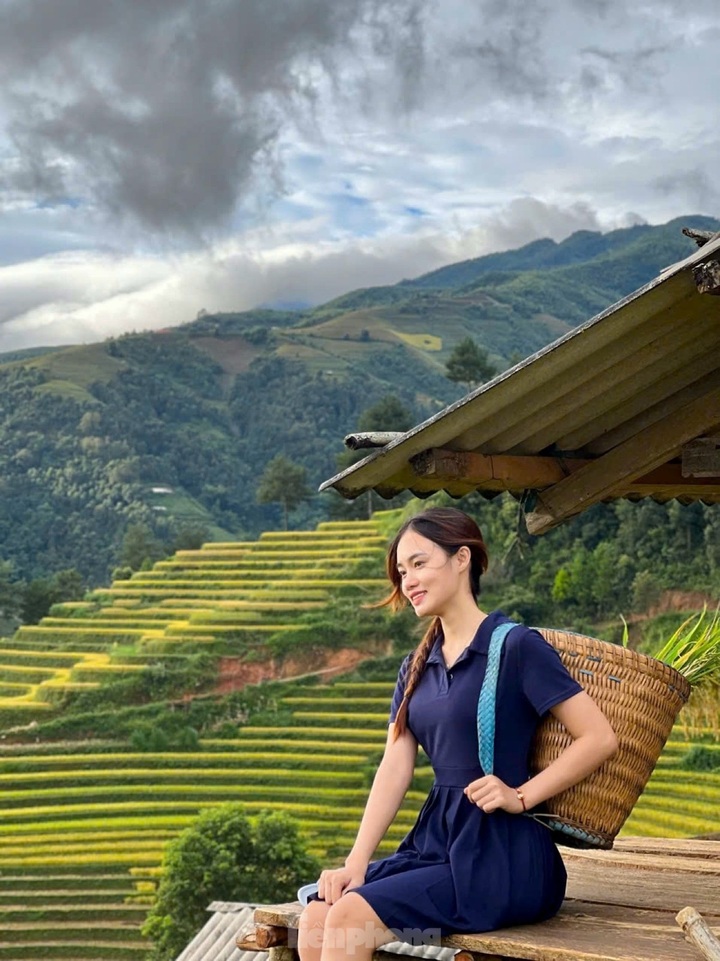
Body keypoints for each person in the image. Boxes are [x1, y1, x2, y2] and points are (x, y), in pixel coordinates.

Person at [298, 506, 618, 961]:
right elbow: (395, 767)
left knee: (349, 919)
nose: (407, 580)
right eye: (401, 570)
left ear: (462, 558)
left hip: (504, 853)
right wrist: (355, 862)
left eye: (419, 563)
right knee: (318, 915)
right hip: (438, 844)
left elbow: (598, 737)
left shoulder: (516, 646)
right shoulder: (414, 667)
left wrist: (521, 796)